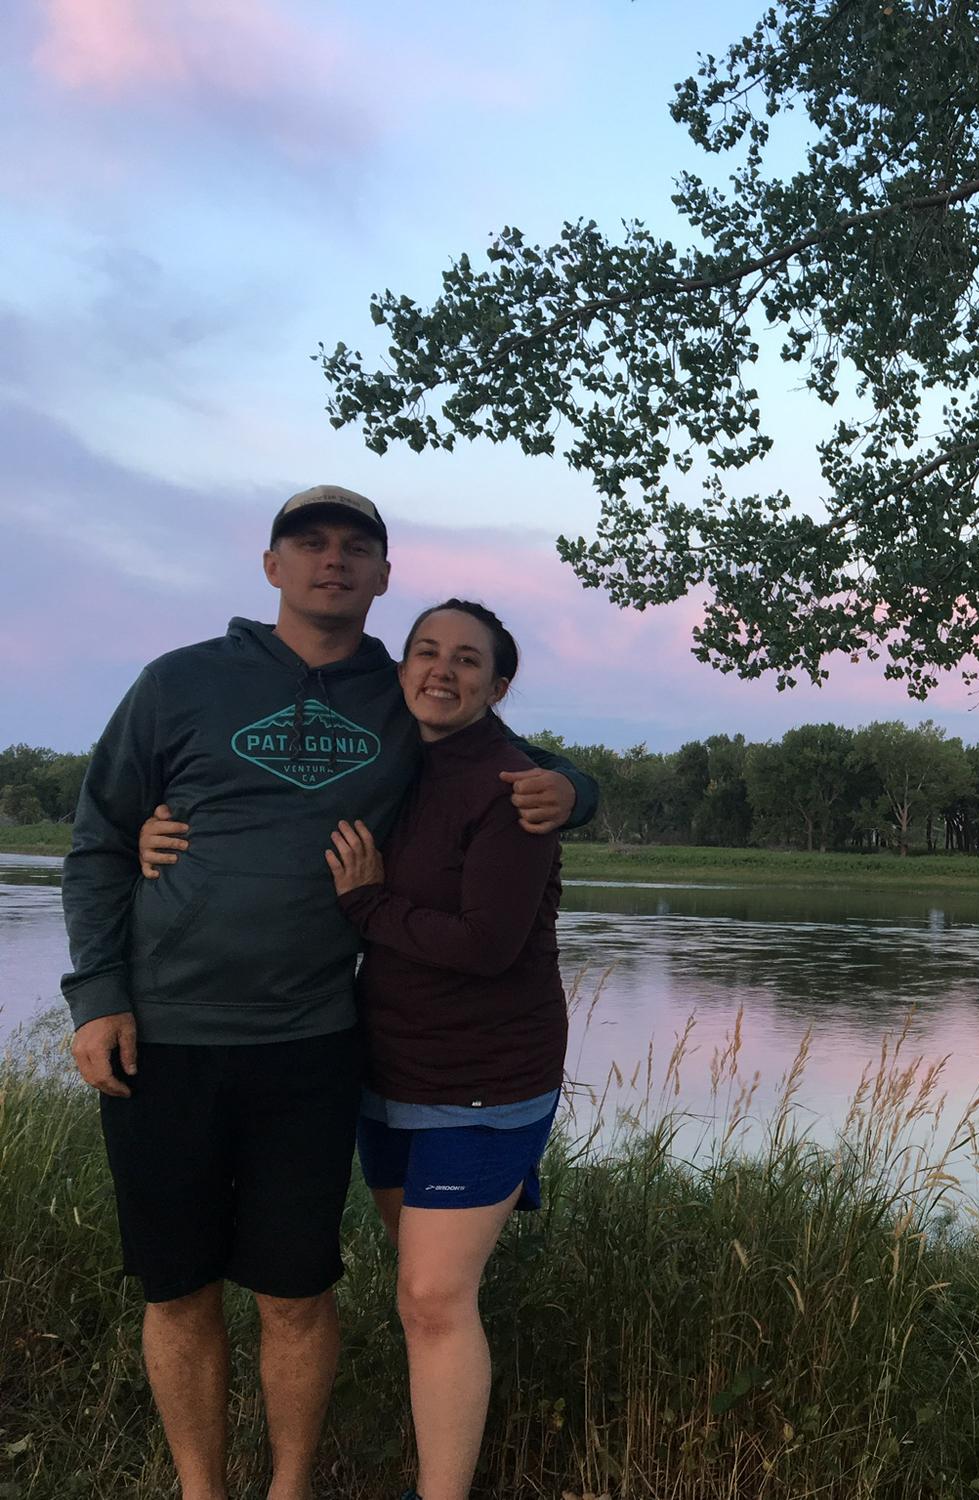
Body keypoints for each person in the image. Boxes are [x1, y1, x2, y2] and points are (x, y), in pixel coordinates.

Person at [61, 485, 597, 1500]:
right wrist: (98, 996)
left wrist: (579, 788)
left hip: (313, 1043)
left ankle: (290, 1488)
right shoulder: (177, 685)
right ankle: (200, 1490)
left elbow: (497, 746)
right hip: (163, 1036)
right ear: (271, 567)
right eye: (308, 544)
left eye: (358, 548)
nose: (333, 561)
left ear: (383, 578)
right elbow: (97, 840)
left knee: (296, 1294)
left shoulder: (394, 697)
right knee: (178, 1293)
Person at [324, 598, 567, 1500]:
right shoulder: (385, 763)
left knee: (431, 1298)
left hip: (485, 1081)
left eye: (468, 660)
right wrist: (161, 836)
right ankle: (436, 1448)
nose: (442, 669)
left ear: (498, 684)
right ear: (401, 669)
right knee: (425, 1293)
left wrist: (370, 908)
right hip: (386, 1074)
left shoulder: (515, 787)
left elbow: (486, 945)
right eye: (426, 651)